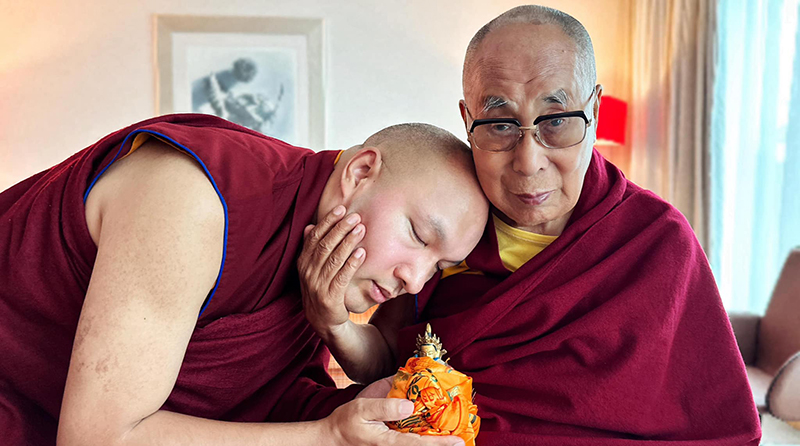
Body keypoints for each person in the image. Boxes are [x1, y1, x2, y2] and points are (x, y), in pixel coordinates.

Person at [300, 5, 762, 445]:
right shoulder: (451, 228)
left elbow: (714, 423)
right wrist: (334, 322)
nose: (528, 161)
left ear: (594, 111)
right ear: (467, 120)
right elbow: (385, 361)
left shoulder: (655, 240)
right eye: (500, 124)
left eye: (557, 121)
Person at [0, 113, 487, 446]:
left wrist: (337, 332)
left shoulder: (321, 263)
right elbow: (96, 438)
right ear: (360, 172)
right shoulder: (192, 198)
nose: (416, 280)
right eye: (419, 236)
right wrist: (326, 436)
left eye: (440, 268)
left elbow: (344, 373)